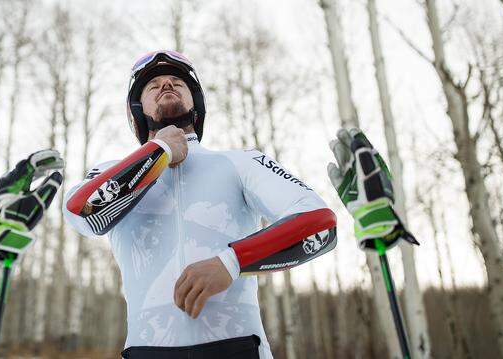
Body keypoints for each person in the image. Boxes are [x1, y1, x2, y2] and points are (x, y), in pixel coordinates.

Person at [63, 50, 338, 359]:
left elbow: (320, 223)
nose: (166, 84)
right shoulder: (113, 171)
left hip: (238, 348)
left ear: (196, 104)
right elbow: (81, 212)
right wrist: (159, 151)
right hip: (147, 351)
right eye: (153, 85)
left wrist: (231, 262)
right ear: (137, 111)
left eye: (177, 82)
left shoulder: (240, 162)